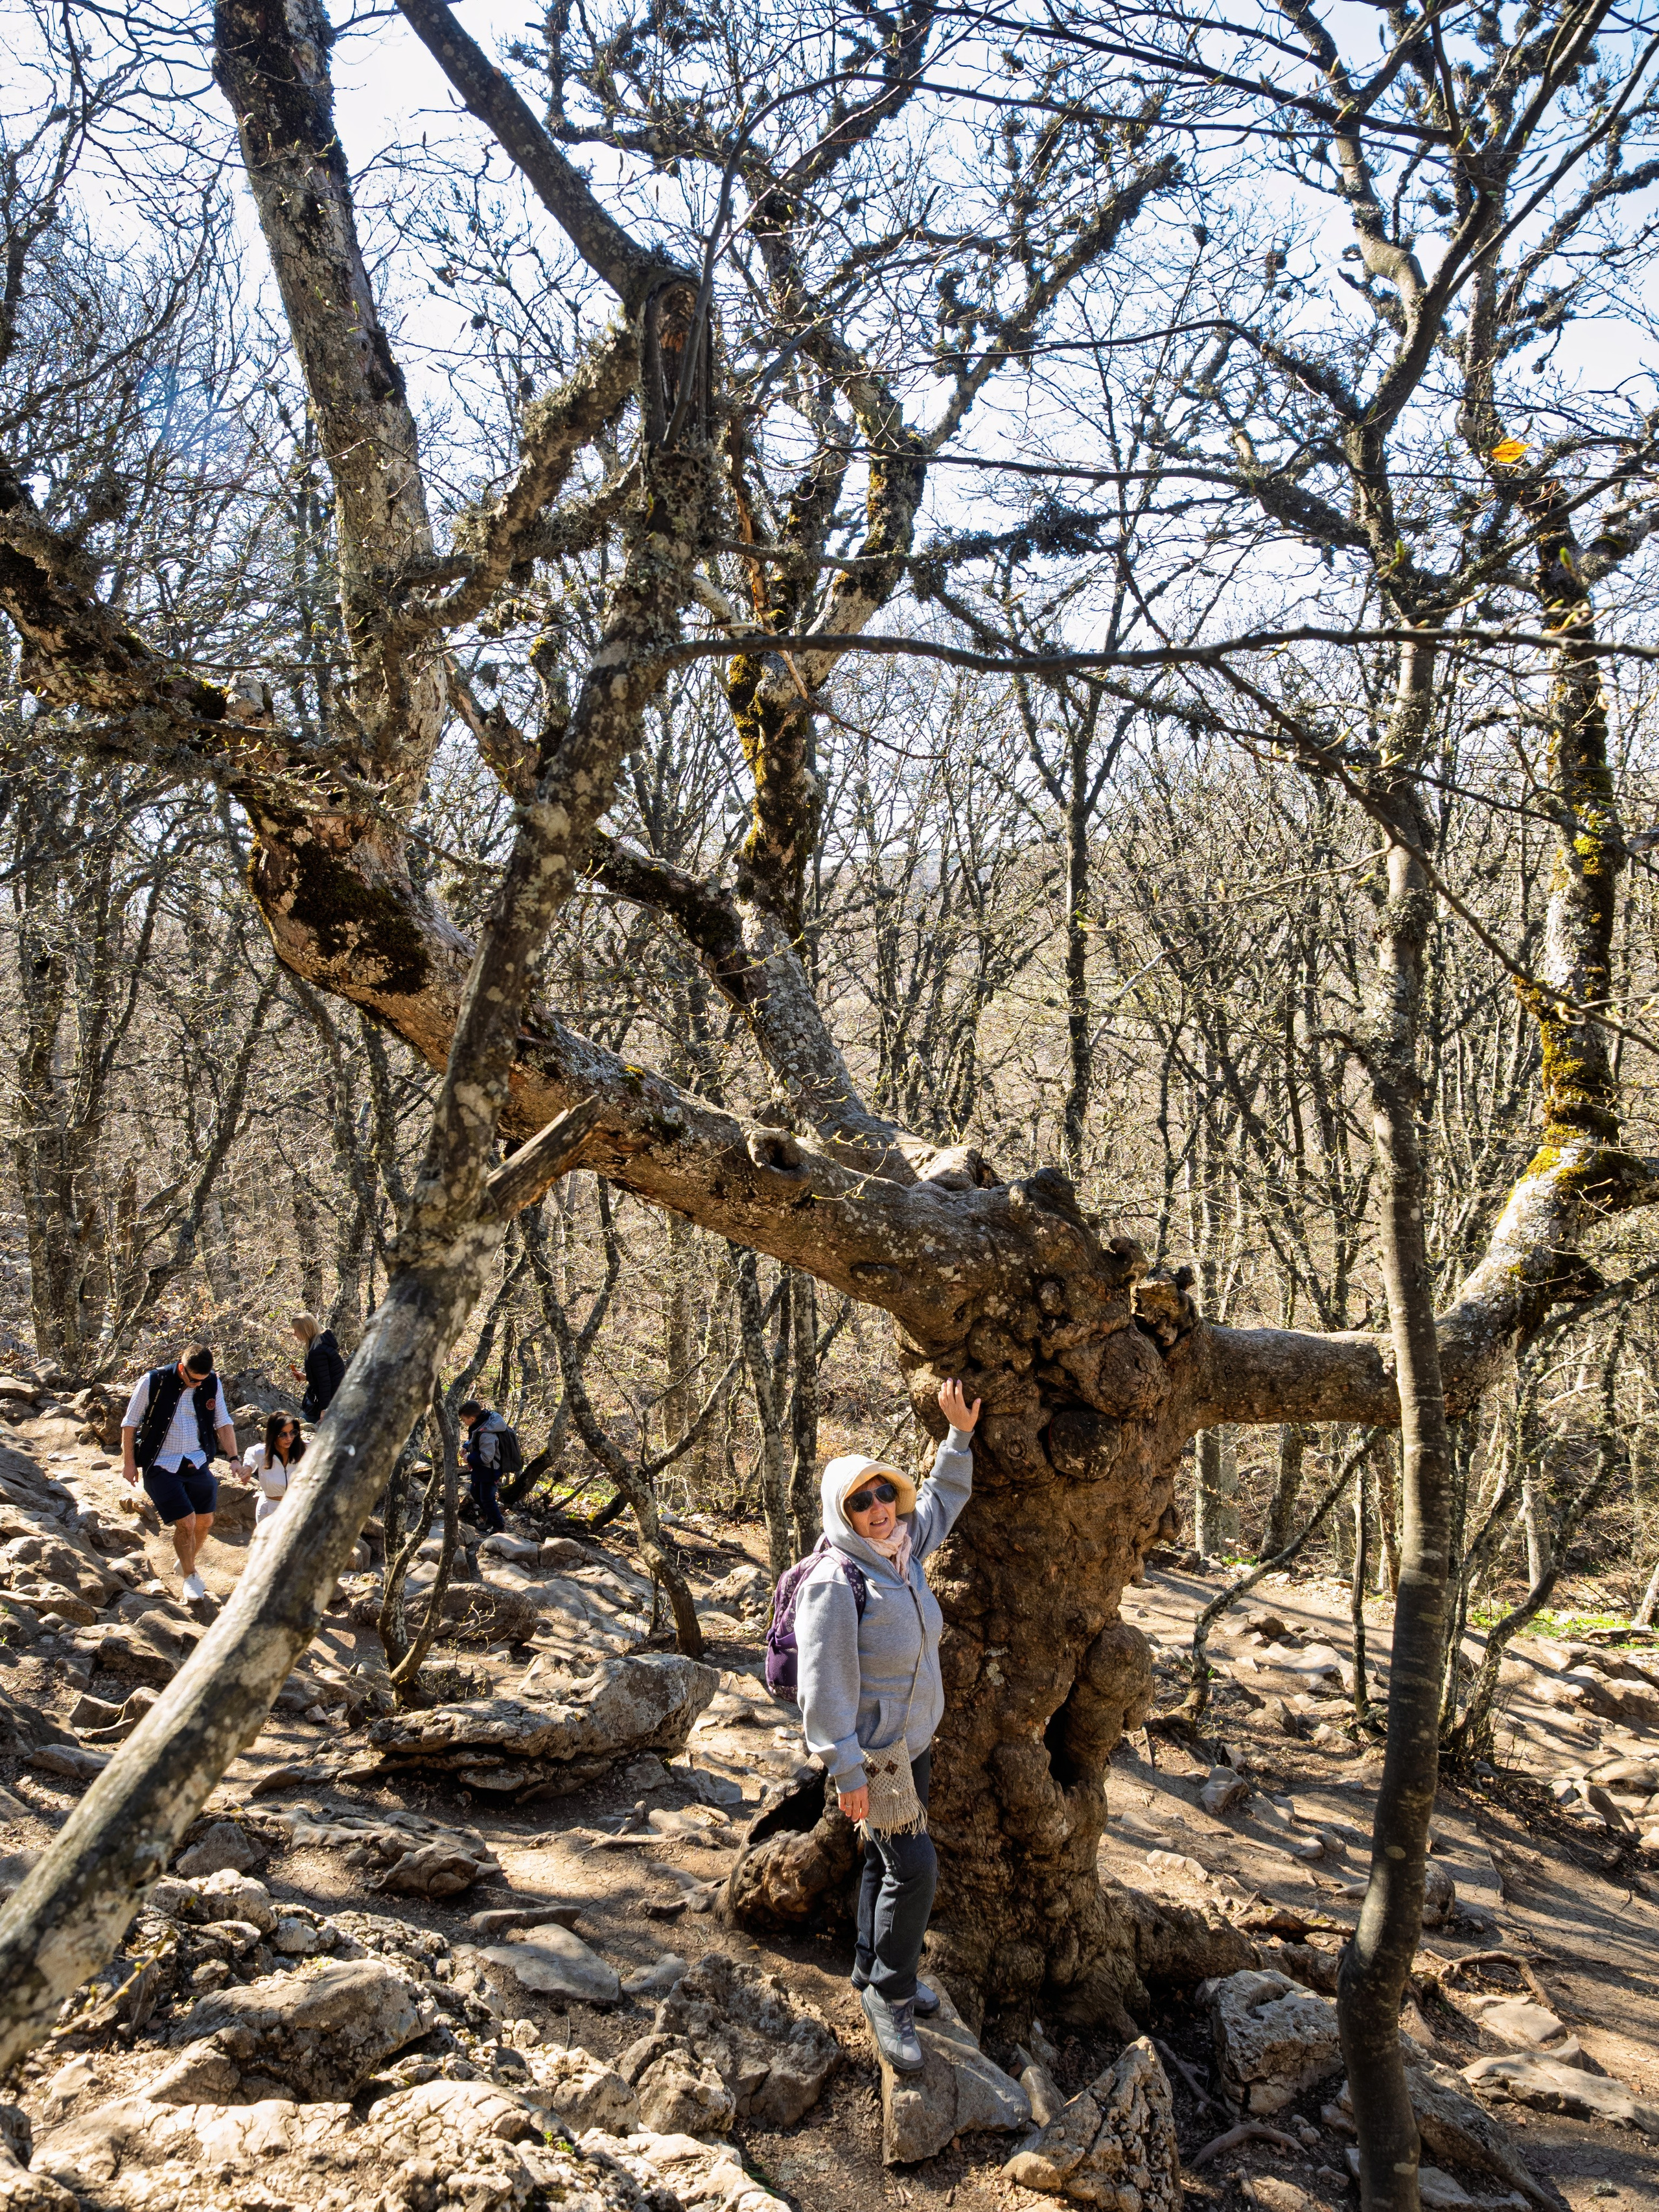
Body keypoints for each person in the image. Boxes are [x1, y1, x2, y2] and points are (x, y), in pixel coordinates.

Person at [796, 1378, 981, 2076]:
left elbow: (942, 1499)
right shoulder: (835, 1579)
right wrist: (846, 1769)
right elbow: (824, 1685)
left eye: (883, 1495)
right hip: (877, 1757)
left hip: (915, 1743)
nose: (877, 1509)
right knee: (915, 1868)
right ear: (841, 1512)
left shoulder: (902, 1549)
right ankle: (891, 1997)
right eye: (860, 1501)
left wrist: (957, 1434)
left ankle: (870, 1966)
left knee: (882, 1860)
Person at [121, 1343, 237, 1602]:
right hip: (161, 1464)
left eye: (203, 1380)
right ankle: (191, 1576)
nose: (198, 1385)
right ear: (182, 1368)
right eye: (193, 1379)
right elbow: (129, 1424)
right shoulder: (153, 1381)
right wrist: (129, 1463)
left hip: (197, 1461)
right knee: (187, 1523)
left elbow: (223, 1421)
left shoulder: (212, 1382)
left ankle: (184, 1562)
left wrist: (234, 1457)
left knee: (205, 1522)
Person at [457, 1399, 512, 1535]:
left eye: (464, 1420)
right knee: (475, 1492)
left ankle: (499, 1526)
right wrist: (466, 1446)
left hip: (490, 1470)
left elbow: (487, 1457)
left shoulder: (487, 1433)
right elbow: (475, 1437)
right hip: (480, 1469)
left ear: (472, 1418)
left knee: (487, 1498)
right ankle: (491, 1517)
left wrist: (468, 1458)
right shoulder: (482, 1422)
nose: (464, 1423)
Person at [243, 1412, 304, 1532]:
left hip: (296, 1509)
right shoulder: (262, 1452)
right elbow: (250, 1454)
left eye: (293, 1433)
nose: (289, 1438)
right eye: (283, 1434)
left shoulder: (304, 1449)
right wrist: (248, 1468)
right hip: (270, 1509)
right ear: (273, 1435)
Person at [288, 1312, 345, 1421]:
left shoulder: (317, 1352)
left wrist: (325, 1409)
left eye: (296, 1331)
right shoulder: (322, 1344)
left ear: (305, 1331)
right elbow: (326, 1374)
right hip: (335, 1398)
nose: (294, 1334)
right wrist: (306, 1377)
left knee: (301, 1430)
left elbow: (325, 1383)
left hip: (326, 1402)